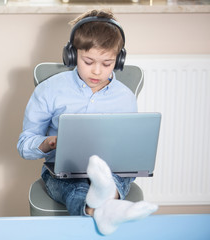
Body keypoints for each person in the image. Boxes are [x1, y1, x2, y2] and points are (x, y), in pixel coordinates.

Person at [17, 10, 158, 235]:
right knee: (80, 188)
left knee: (110, 178)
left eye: (107, 63)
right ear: (72, 55)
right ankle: (108, 207)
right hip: (63, 173)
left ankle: (103, 203)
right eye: (89, 61)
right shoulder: (51, 90)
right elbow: (25, 145)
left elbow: (129, 145)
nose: (97, 70)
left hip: (113, 171)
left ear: (119, 60)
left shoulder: (124, 97)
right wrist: (49, 142)